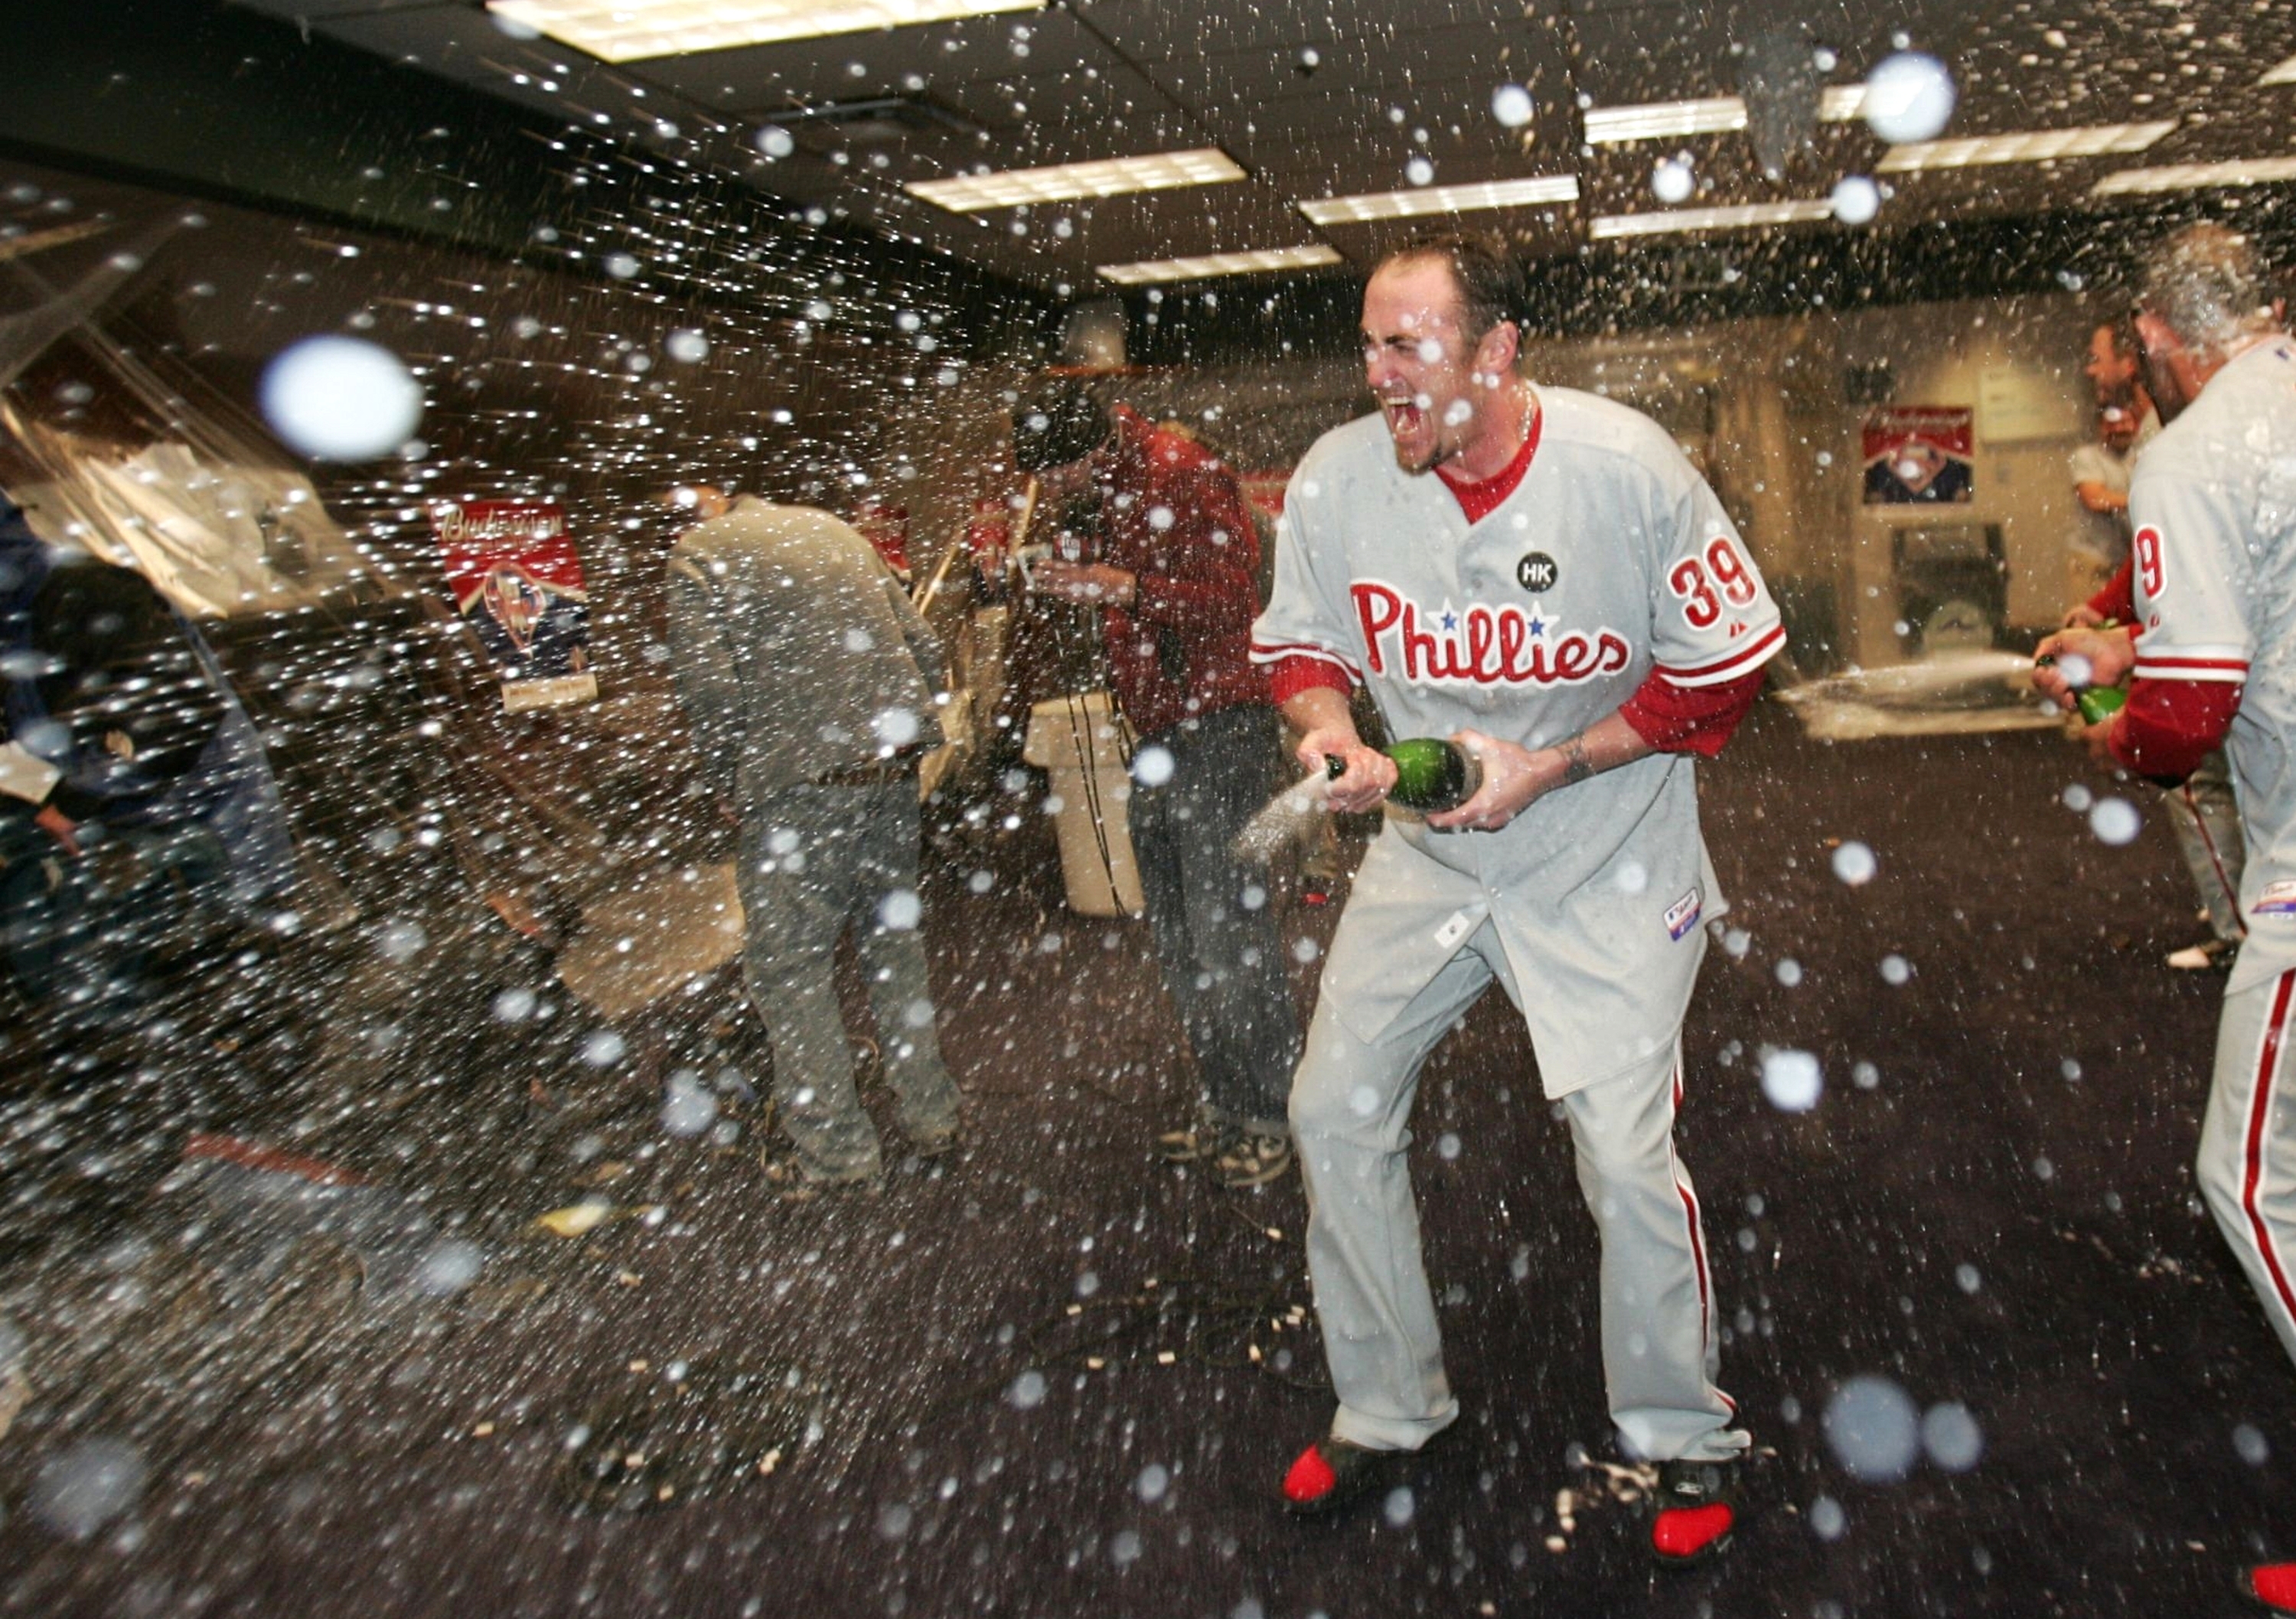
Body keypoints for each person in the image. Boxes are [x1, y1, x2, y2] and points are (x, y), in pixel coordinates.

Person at [1248, 232, 1781, 1563]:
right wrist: (1328, 738)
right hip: (1431, 855)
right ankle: (1387, 1404)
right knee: (1331, 1104)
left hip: (1607, 850)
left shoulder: (1625, 466)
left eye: (1411, 343)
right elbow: (1303, 645)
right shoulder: (1336, 477)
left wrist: (1553, 764)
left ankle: (1679, 1430)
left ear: (1497, 350)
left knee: (1621, 1153)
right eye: (1371, 343)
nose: (1383, 375)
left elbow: (1721, 675)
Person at [2030, 223, 2296, 1613]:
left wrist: (2108, 722)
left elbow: (2182, 726)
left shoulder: (2189, 452)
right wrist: (2122, 637)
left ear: (2155, 335)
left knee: (2251, 1188)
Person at [1011, 380, 1304, 1190]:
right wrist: (1085, 578)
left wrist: (1125, 589)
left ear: (1090, 448)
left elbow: (1237, 606)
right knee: (1180, 937)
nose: (1054, 490)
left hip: (1221, 733)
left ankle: (1270, 1112)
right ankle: (1225, 1096)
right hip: (1161, 737)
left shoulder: (1181, 471)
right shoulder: (1110, 487)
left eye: (1059, 472)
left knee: (1228, 939)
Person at [662, 485, 963, 1192]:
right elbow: (923, 646)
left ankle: (838, 1157)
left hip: (797, 789)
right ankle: (932, 1114)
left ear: (713, 502)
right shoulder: (837, 533)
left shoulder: (700, 554)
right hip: (887, 776)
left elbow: (708, 690)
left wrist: (731, 777)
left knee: (790, 971)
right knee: (892, 948)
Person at [0, 497, 296, 1015]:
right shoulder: (17, 624)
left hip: (212, 842)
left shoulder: (77, 595)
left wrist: (72, 804)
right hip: (153, 840)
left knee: (174, 1001)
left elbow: (163, 719)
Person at [2061, 318, 2244, 974]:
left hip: (2233, 650)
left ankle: (2238, 927)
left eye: (2098, 356)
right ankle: (2241, 906)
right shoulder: (2173, 436)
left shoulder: (2179, 442)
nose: (2090, 370)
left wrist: (2124, 732)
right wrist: (2118, 621)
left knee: (2199, 779)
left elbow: (2196, 586)